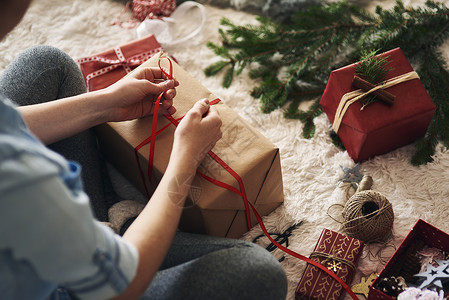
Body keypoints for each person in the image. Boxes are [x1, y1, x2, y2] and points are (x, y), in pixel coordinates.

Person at [0, 0, 288, 299]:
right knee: (258, 273)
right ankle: (121, 229)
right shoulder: (20, 178)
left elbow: (7, 125)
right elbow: (119, 281)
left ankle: (110, 219)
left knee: (47, 64)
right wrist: (185, 158)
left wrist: (106, 103)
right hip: (78, 284)